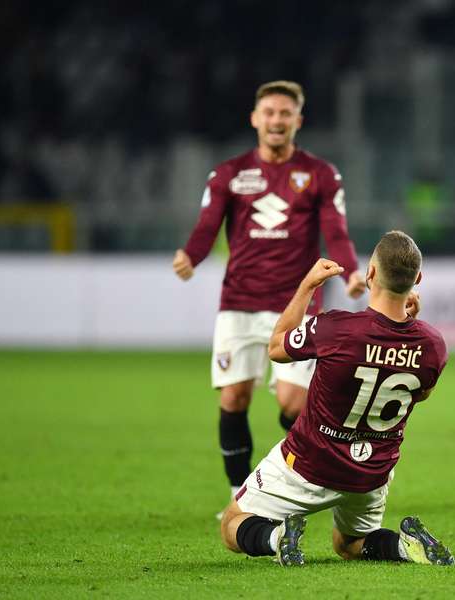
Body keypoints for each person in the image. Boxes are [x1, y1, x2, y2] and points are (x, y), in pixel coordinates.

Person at [172, 80, 367, 506]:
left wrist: (350, 271)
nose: (276, 121)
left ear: (298, 121)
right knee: (234, 396)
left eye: (285, 114)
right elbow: (208, 225)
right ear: (255, 119)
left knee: (295, 405)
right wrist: (192, 254)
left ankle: (303, 481)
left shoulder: (319, 174)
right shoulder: (228, 174)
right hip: (239, 303)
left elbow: (336, 230)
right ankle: (239, 496)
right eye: (270, 113)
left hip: (296, 304)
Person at [219, 231, 454, 566]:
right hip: (370, 474)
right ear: (417, 279)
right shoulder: (433, 344)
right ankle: (404, 546)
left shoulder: (335, 328)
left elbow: (276, 347)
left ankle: (276, 536)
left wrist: (307, 286)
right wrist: (409, 329)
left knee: (232, 524)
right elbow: (422, 392)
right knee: (350, 544)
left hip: (310, 464)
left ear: (370, 274)